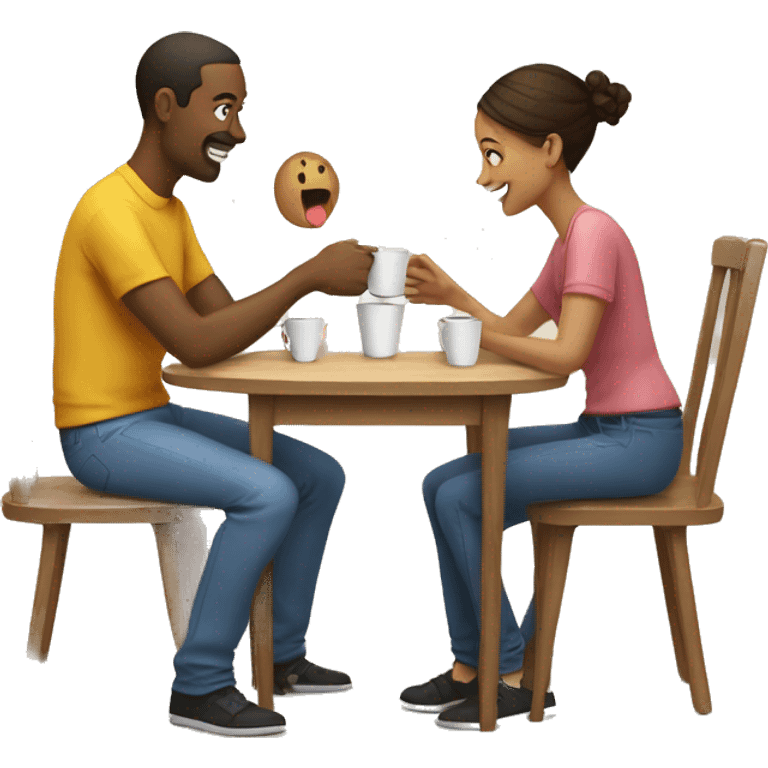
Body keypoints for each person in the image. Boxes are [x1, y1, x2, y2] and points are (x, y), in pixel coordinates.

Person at [53, 32, 375, 738]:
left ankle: (283, 657)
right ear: (166, 106)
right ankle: (198, 686)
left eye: (240, 110)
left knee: (318, 474)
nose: (239, 130)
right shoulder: (110, 212)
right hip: (102, 433)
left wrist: (300, 286)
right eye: (224, 109)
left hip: (149, 414)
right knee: (267, 492)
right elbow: (197, 344)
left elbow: (224, 318)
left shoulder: (170, 211)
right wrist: (308, 277)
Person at [400, 64, 683, 731]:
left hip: (640, 442)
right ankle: (472, 663)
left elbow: (564, 357)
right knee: (442, 483)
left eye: (494, 154)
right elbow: (509, 333)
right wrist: (454, 300)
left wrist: (466, 313)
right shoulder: (570, 242)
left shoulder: (593, 235)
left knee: (465, 493)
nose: (483, 175)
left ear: (550, 150)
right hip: (607, 431)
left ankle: (517, 673)